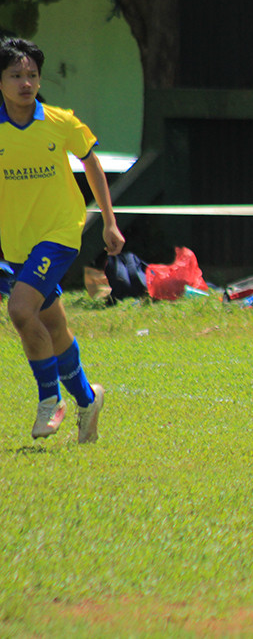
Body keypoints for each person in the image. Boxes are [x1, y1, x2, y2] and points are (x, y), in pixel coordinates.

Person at [0, 37, 125, 443]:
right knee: (52, 324)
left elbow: (91, 162)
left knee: (20, 310)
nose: (25, 83)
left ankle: (49, 400)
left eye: (32, 75)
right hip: (17, 243)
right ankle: (89, 399)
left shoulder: (61, 121)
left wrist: (108, 221)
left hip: (59, 234)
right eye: (16, 75)